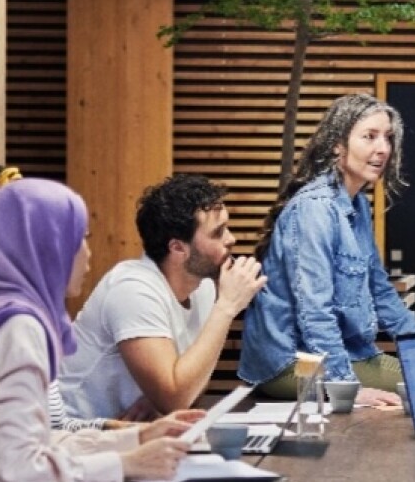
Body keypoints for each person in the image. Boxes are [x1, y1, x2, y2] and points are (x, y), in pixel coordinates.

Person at [0, 178, 262, 482]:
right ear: (42, 249)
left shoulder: (10, 316)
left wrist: (135, 439)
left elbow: (38, 440)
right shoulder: (18, 328)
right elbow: (14, 472)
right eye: (77, 240)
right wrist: (126, 462)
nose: (88, 254)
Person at [238, 93, 415, 406]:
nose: (383, 148)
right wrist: (346, 387)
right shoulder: (315, 209)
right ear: (338, 144)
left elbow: (381, 291)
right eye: (369, 136)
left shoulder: (357, 204)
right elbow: (315, 311)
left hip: (344, 353)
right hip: (290, 363)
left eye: (388, 138)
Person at [60, 173, 267, 421]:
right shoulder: (133, 289)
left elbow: (191, 390)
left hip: (132, 433)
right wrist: (227, 307)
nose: (231, 239)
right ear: (177, 247)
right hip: (70, 431)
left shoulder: (203, 288)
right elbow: (176, 398)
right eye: (218, 232)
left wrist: (160, 400)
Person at [0, 163, 132, 432]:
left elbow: (53, 426)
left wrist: (117, 430)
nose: (87, 252)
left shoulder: (32, 316)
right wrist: (128, 453)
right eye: (76, 239)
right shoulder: (14, 324)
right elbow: (15, 454)